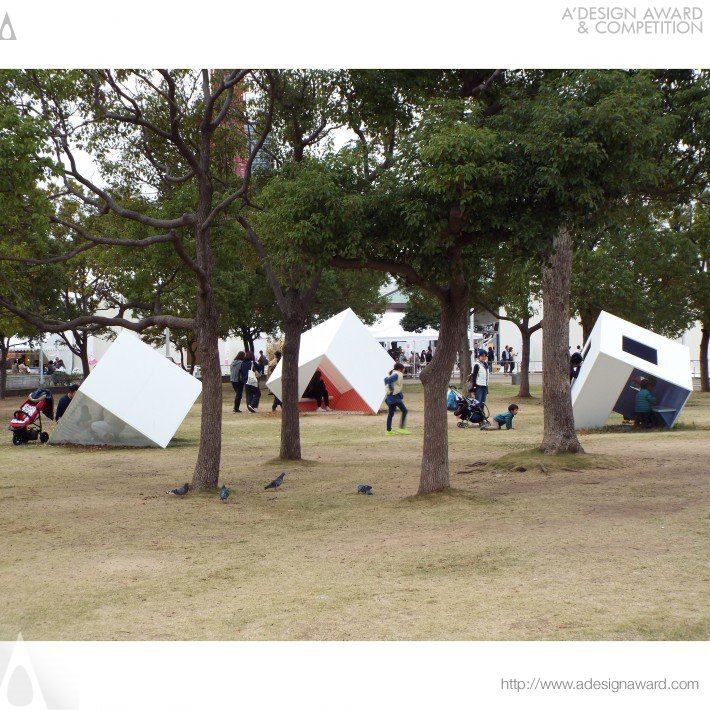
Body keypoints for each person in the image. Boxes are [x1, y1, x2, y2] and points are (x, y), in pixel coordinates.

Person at [384, 362, 409, 436]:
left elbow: (386, 379)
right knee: (404, 410)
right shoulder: (397, 374)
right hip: (394, 396)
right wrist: (392, 389)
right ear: (400, 369)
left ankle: (388, 431)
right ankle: (401, 428)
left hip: (391, 396)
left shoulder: (394, 373)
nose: (404, 370)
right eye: (403, 369)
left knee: (391, 413)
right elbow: (388, 380)